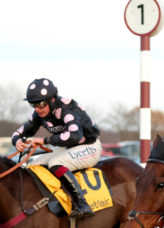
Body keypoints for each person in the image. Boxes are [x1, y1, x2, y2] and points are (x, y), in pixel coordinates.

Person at [12, 78, 102, 218]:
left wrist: (44, 140)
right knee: (31, 165)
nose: (37, 109)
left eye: (41, 104)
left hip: (90, 146)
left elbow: (74, 136)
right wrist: (17, 140)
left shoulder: (68, 109)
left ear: (52, 100)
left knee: (55, 163)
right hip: (69, 148)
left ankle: (82, 204)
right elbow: (20, 132)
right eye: (33, 104)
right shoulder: (39, 113)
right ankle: (48, 203)